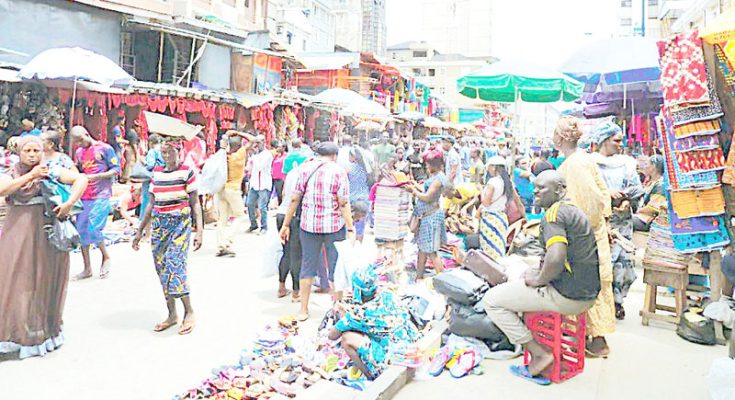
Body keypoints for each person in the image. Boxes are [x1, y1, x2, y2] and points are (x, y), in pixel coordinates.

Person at [481, 170, 599, 382]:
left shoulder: (553, 215)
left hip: (568, 296)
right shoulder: (573, 211)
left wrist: (538, 279)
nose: (535, 192)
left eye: (542, 188)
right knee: (523, 276)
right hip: (586, 293)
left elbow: (555, 258)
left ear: (560, 189)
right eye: (534, 187)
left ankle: (539, 354)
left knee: (492, 301)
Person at [0, 135, 88, 359]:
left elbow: (81, 179)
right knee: (13, 281)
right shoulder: (11, 171)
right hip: (17, 233)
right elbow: (4, 190)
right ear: (19, 152)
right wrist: (31, 175)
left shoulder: (51, 169)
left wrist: (69, 204)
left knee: (41, 280)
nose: (32, 155)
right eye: (27, 151)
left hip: (45, 234)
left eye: (35, 151)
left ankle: (40, 332)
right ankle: (13, 333)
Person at [553, 116, 614, 357]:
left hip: (586, 238)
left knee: (589, 286)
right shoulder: (579, 160)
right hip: (591, 234)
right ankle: (588, 336)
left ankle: (596, 340)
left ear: (559, 138)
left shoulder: (576, 164)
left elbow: (588, 203)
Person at [133, 139, 203, 335]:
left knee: (175, 264)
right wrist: (139, 232)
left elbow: (195, 203)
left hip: (180, 224)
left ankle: (189, 311)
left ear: (179, 152)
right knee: (162, 269)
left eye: (170, 152)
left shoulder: (187, 171)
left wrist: (199, 230)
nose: (167, 156)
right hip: (159, 225)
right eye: (163, 153)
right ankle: (171, 314)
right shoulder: (157, 174)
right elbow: (150, 204)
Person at [279, 142, 355, 321]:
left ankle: (303, 310)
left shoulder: (304, 170)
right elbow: (343, 202)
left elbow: (294, 199)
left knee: (308, 265)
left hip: (309, 226)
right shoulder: (339, 172)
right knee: (335, 267)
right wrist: (350, 228)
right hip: (333, 226)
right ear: (335, 156)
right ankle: (337, 309)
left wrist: (286, 224)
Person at [590, 121, 644, 321]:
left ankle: (617, 302)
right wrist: (606, 194)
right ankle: (600, 304)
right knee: (603, 264)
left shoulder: (627, 163)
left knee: (623, 265)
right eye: (616, 140)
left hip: (623, 222)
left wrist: (628, 201)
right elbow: (588, 190)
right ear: (604, 140)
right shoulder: (591, 164)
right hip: (601, 222)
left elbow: (636, 189)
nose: (620, 144)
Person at [71, 125, 120, 280]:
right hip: (84, 195)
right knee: (81, 231)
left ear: (87, 134)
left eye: (80, 140)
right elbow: (78, 170)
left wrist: (97, 177)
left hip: (101, 194)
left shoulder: (104, 149)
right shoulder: (79, 153)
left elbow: (116, 169)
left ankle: (105, 256)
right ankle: (87, 268)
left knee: (94, 228)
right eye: (76, 142)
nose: (79, 144)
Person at [404, 150, 447, 280]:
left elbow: (428, 197)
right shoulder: (435, 176)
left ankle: (444, 280)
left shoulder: (439, 179)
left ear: (436, 164)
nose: (426, 167)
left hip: (431, 218)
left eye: (429, 164)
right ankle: (419, 277)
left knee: (432, 252)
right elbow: (426, 190)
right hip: (426, 217)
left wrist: (413, 191)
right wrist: (415, 185)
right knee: (422, 250)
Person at [216, 130, 255, 257]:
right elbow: (253, 140)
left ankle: (220, 245)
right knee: (240, 216)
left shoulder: (224, 156)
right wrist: (238, 132)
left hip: (221, 189)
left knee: (222, 219)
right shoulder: (240, 154)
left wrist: (228, 136)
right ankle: (228, 241)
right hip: (233, 189)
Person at [275, 154, 309, 301]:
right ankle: (296, 293)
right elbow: (297, 198)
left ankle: (281, 287)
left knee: (286, 253)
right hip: (293, 216)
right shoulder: (304, 175)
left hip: (281, 214)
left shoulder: (290, 174)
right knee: (296, 255)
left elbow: (282, 194)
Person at [478, 156, 512, 260]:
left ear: (493, 167)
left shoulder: (492, 182)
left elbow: (486, 202)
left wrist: (480, 190)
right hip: (501, 218)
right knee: (498, 249)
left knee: (489, 251)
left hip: (490, 219)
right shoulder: (507, 182)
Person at [247, 136, 273, 234]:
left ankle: (264, 227)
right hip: (254, 184)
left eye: (258, 142)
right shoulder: (255, 155)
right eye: (255, 142)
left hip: (264, 184)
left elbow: (259, 167)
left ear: (263, 142)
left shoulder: (267, 155)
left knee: (262, 207)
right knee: (249, 204)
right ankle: (253, 224)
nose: (256, 145)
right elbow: (250, 168)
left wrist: (254, 156)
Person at [633, 155, 666, 232]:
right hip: (641, 216)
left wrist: (636, 211)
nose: (644, 167)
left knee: (619, 220)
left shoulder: (660, 185)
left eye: (647, 164)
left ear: (653, 166)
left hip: (646, 220)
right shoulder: (652, 183)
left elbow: (652, 209)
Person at [347, 147, 371, 243]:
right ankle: (359, 245)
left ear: (353, 157)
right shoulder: (367, 170)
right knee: (361, 225)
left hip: (352, 198)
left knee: (350, 224)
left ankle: (350, 244)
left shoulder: (349, 169)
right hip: (364, 198)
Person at [271, 142, 288, 206]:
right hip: (273, 176)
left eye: (279, 147)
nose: (277, 148)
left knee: (280, 193)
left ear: (283, 148)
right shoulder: (276, 156)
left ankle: (281, 206)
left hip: (281, 177)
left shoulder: (286, 156)